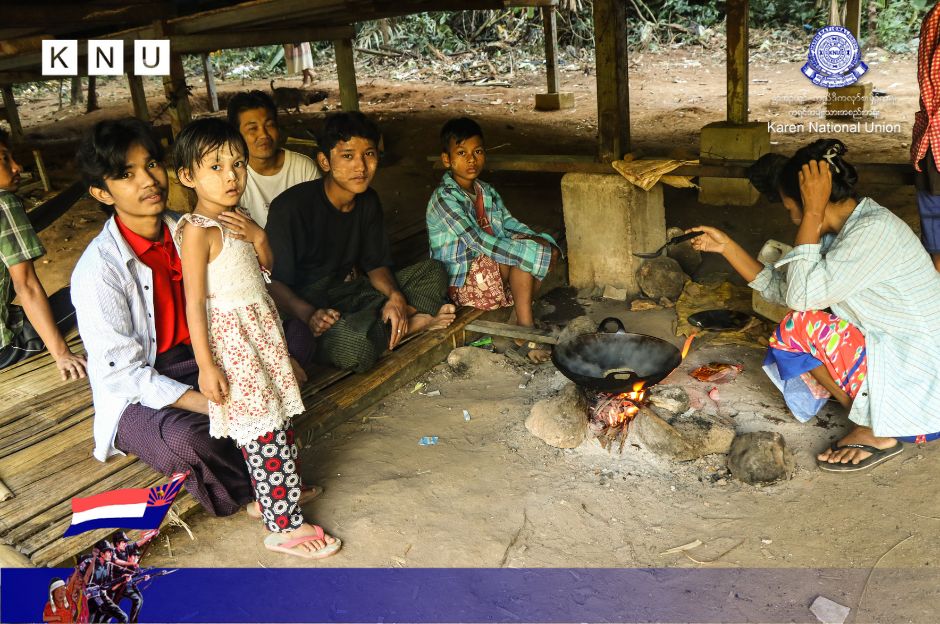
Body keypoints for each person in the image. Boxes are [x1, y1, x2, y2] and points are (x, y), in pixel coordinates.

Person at [71, 118, 317, 521]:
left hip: (214, 350)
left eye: (151, 164)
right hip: (145, 385)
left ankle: (269, 460)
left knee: (299, 335)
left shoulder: (189, 226)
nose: (148, 180)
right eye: (127, 174)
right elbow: (124, 376)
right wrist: (214, 404)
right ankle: (256, 493)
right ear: (102, 192)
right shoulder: (99, 271)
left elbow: (248, 285)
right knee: (188, 440)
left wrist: (265, 357)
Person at [689, 138, 940, 472]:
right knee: (803, 320)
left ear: (810, 200)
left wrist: (812, 212)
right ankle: (869, 413)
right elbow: (785, 291)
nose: (793, 216)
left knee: (798, 327)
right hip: (909, 366)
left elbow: (801, 300)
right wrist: (727, 248)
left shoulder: (873, 232)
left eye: (790, 207)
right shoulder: (851, 228)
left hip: (922, 397)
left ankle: (875, 429)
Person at [173, 117, 340, 559]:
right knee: (262, 431)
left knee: (277, 422)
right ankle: (284, 526)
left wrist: (259, 235)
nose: (231, 175)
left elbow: (267, 269)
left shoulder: (238, 219)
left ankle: (279, 495)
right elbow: (194, 303)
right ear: (188, 176)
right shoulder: (198, 230)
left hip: (261, 334)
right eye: (215, 167)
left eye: (238, 164)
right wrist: (206, 365)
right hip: (235, 346)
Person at [265, 112, 456, 373]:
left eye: (369, 154)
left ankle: (387, 320)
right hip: (304, 307)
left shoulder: (368, 201)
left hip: (349, 293)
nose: (361, 167)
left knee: (434, 271)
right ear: (324, 161)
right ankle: (407, 325)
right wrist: (310, 315)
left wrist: (395, 297)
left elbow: (375, 265)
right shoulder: (290, 208)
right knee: (356, 346)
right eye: (348, 156)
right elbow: (273, 283)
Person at [427, 117, 560, 364]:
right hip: (461, 281)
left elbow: (509, 223)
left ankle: (521, 320)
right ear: (446, 159)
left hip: (485, 267)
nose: (471, 160)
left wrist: (541, 241)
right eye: (462, 153)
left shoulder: (485, 191)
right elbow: (476, 240)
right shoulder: (444, 198)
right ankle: (525, 330)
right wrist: (529, 251)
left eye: (477, 152)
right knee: (523, 256)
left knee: (537, 248)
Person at [0, 128, 86, 376]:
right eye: (4, 159)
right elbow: (25, 285)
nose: (17, 167)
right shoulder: (4, 203)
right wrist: (62, 354)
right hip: (6, 347)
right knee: (88, 291)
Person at [226, 90, 319, 227]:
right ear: (236, 135)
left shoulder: (303, 168)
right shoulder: (232, 176)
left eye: (269, 125)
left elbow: (318, 220)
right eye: (253, 128)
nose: (264, 135)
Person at [912, 2, 940, 271]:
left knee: (936, 244)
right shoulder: (936, 16)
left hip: (934, 146)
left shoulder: (935, 15)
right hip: (934, 145)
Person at [86, 540, 127, 623]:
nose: (111, 554)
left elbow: (108, 584)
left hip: (100, 597)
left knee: (123, 617)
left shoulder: (108, 565)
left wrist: (123, 579)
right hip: (88, 600)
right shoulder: (87, 563)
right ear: (101, 554)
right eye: (109, 552)